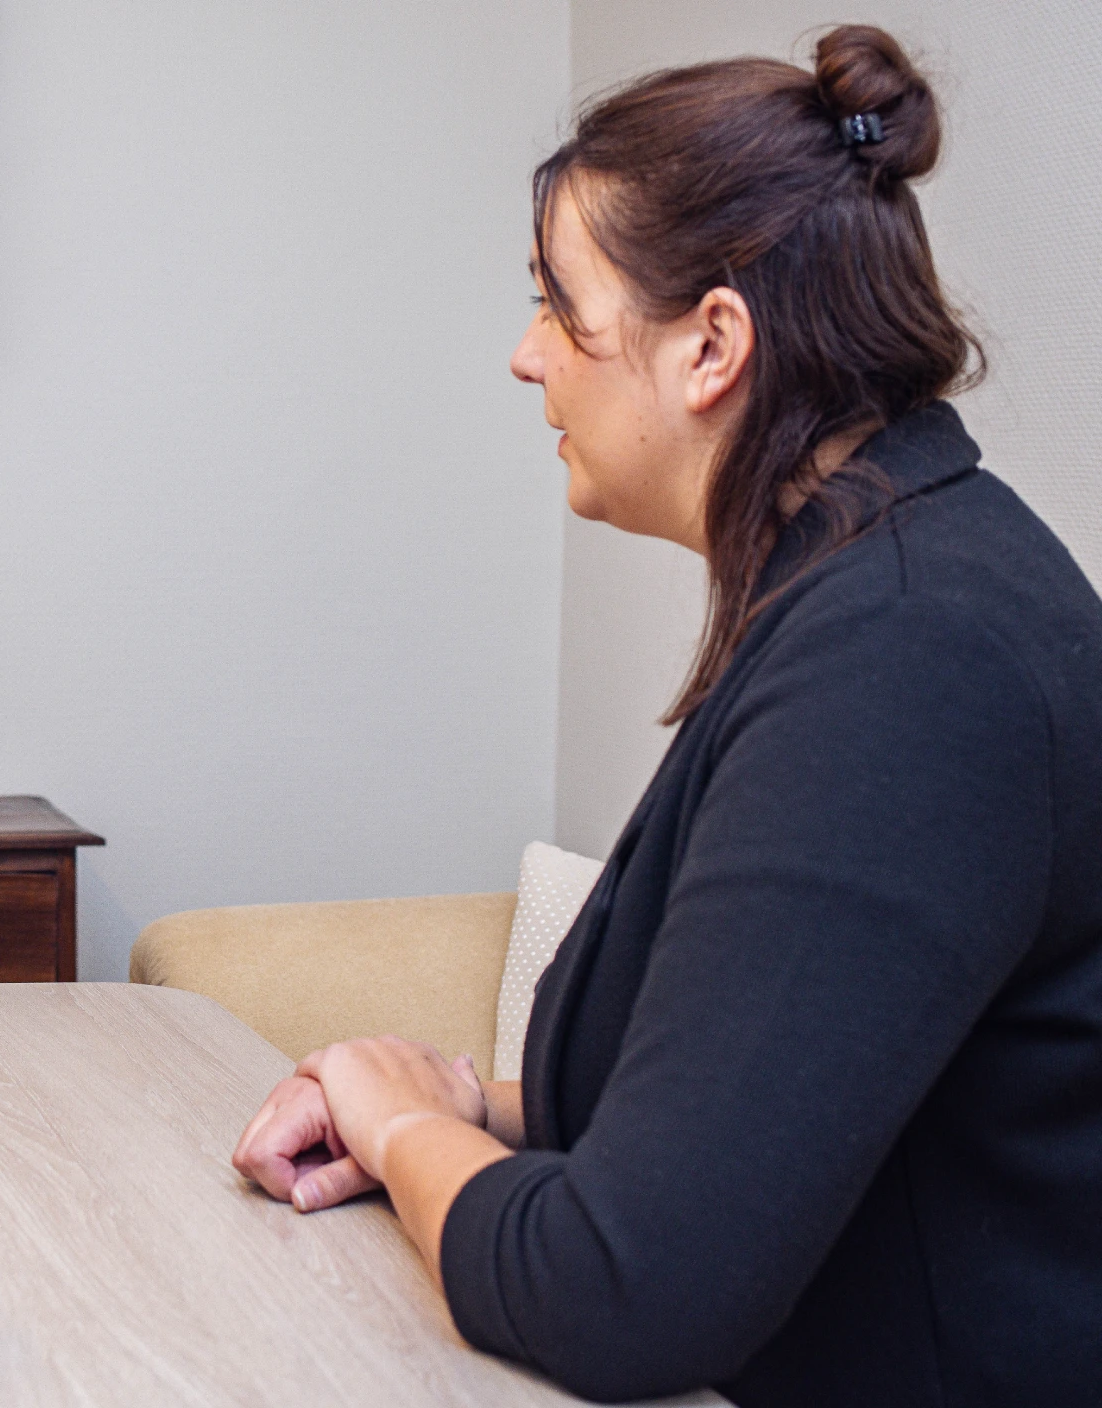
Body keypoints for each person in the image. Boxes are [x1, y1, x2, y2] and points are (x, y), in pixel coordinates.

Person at [231, 27, 1102, 1407]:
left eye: (558, 307)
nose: (527, 361)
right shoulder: (883, 584)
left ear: (711, 345)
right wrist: (464, 1107)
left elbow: (623, 1293)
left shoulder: (907, 655)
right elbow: (756, 1103)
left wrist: (398, 1129)